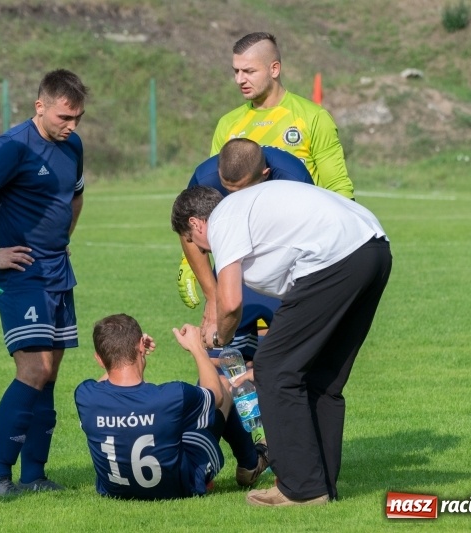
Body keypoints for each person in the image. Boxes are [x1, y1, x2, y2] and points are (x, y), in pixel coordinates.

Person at [171, 183, 392, 507]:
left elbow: (230, 304)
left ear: (195, 224)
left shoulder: (222, 219)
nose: (205, 252)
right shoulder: (248, 212)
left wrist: (219, 339)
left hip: (338, 258)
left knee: (273, 368)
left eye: (197, 246)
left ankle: (300, 487)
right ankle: (320, 484)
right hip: (374, 251)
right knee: (320, 377)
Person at [0, 69, 88, 497]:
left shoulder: (71, 144)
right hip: (21, 274)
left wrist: (64, 237)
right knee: (33, 368)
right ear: (40, 106)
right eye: (64, 117)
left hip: (58, 270)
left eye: (77, 118)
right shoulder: (11, 146)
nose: (71, 126)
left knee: (50, 372)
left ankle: (34, 475)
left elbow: (75, 194)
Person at [179, 138, 314, 487]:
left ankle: (286, 458)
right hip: (232, 277)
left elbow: (307, 239)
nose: (234, 198)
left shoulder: (293, 177)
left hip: (282, 278)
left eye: (242, 190)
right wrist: (213, 298)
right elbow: (188, 233)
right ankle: (231, 460)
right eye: (228, 190)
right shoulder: (206, 174)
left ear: (265, 174)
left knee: (278, 371)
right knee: (217, 367)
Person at [74, 314, 232, 500]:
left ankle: (250, 463)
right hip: (179, 489)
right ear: (141, 345)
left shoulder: (85, 395)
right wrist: (197, 348)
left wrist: (119, 354)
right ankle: (250, 462)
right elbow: (217, 395)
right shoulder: (172, 395)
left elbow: (111, 382)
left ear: (99, 359)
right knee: (222, 383)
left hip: (114, 491)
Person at [210, 31, 354, 199]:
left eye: (249, 71)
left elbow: (337, 185)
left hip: (302, 223)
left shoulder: (314, 117)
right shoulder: (228, 123)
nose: (239, 79)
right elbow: (214, 187)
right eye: (236, 71)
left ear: (274, 69)